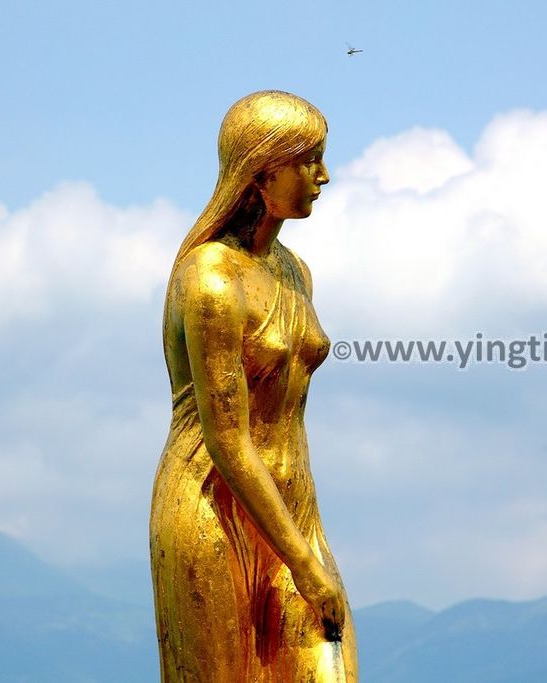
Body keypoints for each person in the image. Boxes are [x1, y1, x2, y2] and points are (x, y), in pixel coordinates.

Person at [150, 90, 358, 682]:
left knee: (329, 670)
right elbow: (227, 440)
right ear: (264, 170)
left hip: (293, 505)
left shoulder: (294, 272)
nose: (325, 175)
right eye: (309, 159)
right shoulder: (210, 279)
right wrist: (303, 563)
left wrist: (303, 550)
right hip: (213, 505)